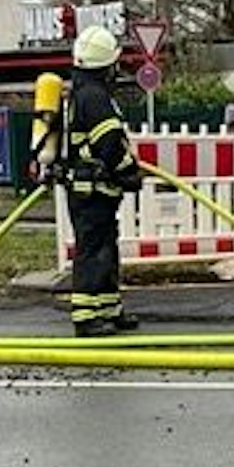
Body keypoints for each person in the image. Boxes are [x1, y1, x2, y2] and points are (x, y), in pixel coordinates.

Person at [62, 24, 145, 336]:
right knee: (93, 250)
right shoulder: (95, 97)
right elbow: (108, 142)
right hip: (92, 189)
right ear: (108, 64)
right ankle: (86, 316)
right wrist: (127, 171)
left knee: (105, 247)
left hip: (93, 189)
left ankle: (108, 308)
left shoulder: (83, 93)